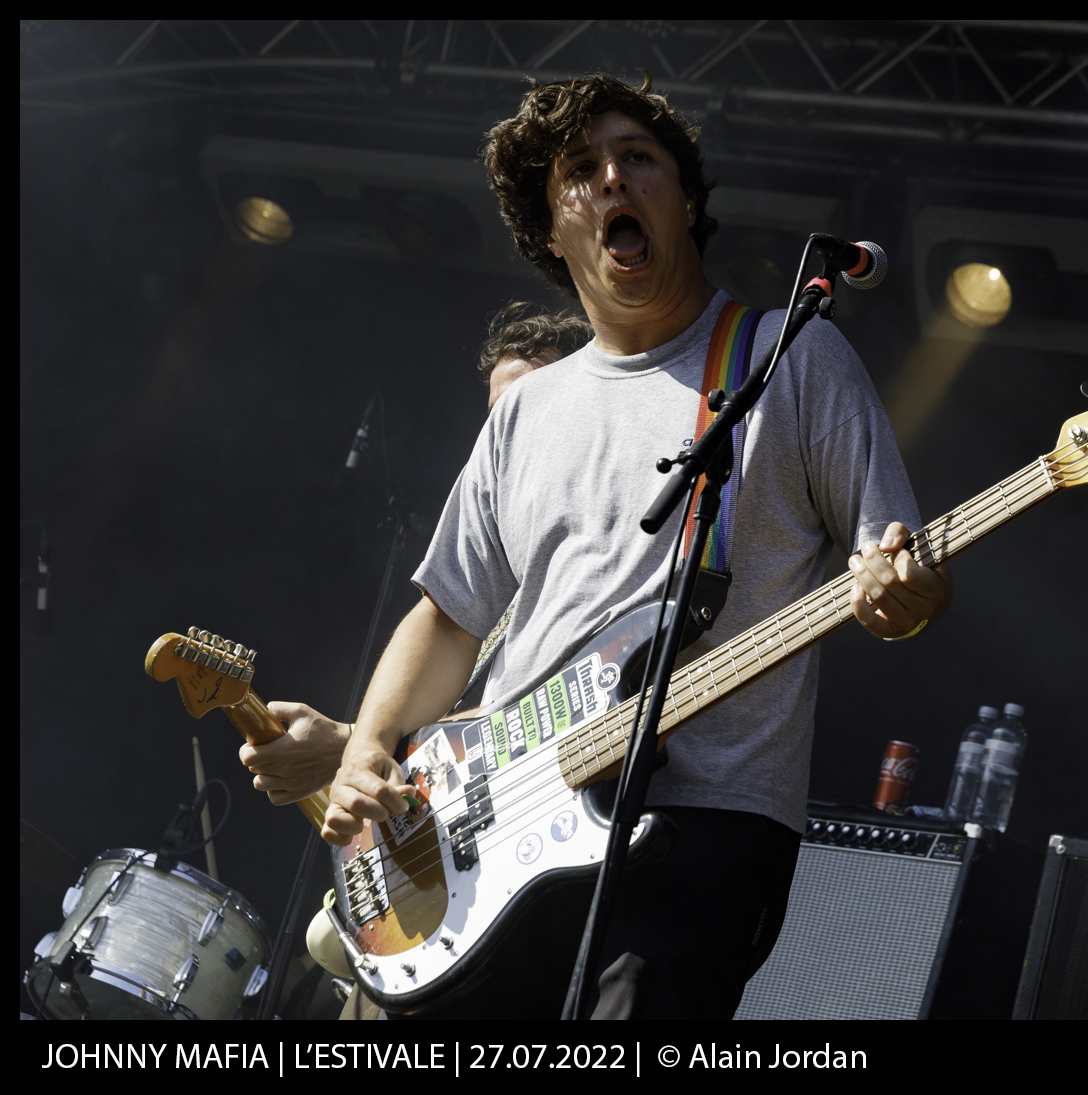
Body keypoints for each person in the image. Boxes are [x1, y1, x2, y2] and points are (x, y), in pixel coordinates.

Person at [322, 73, 952, 1019]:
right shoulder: (527, 409)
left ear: (685, 200)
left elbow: (896, 567)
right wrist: (368, 747)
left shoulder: (789, 357)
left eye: (637, 158)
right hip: (501, 828)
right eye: (581, 170)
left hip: (705, 823)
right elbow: (449, 617)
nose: (612, 178)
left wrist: (906, 594)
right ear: (551, 228)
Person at [238, 303, 592, 806]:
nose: (507, 430)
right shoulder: (497, 551)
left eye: (526, 405)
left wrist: (346, 744)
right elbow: (475, 672)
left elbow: (573, 698)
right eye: (497, 415)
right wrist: (364, 744)